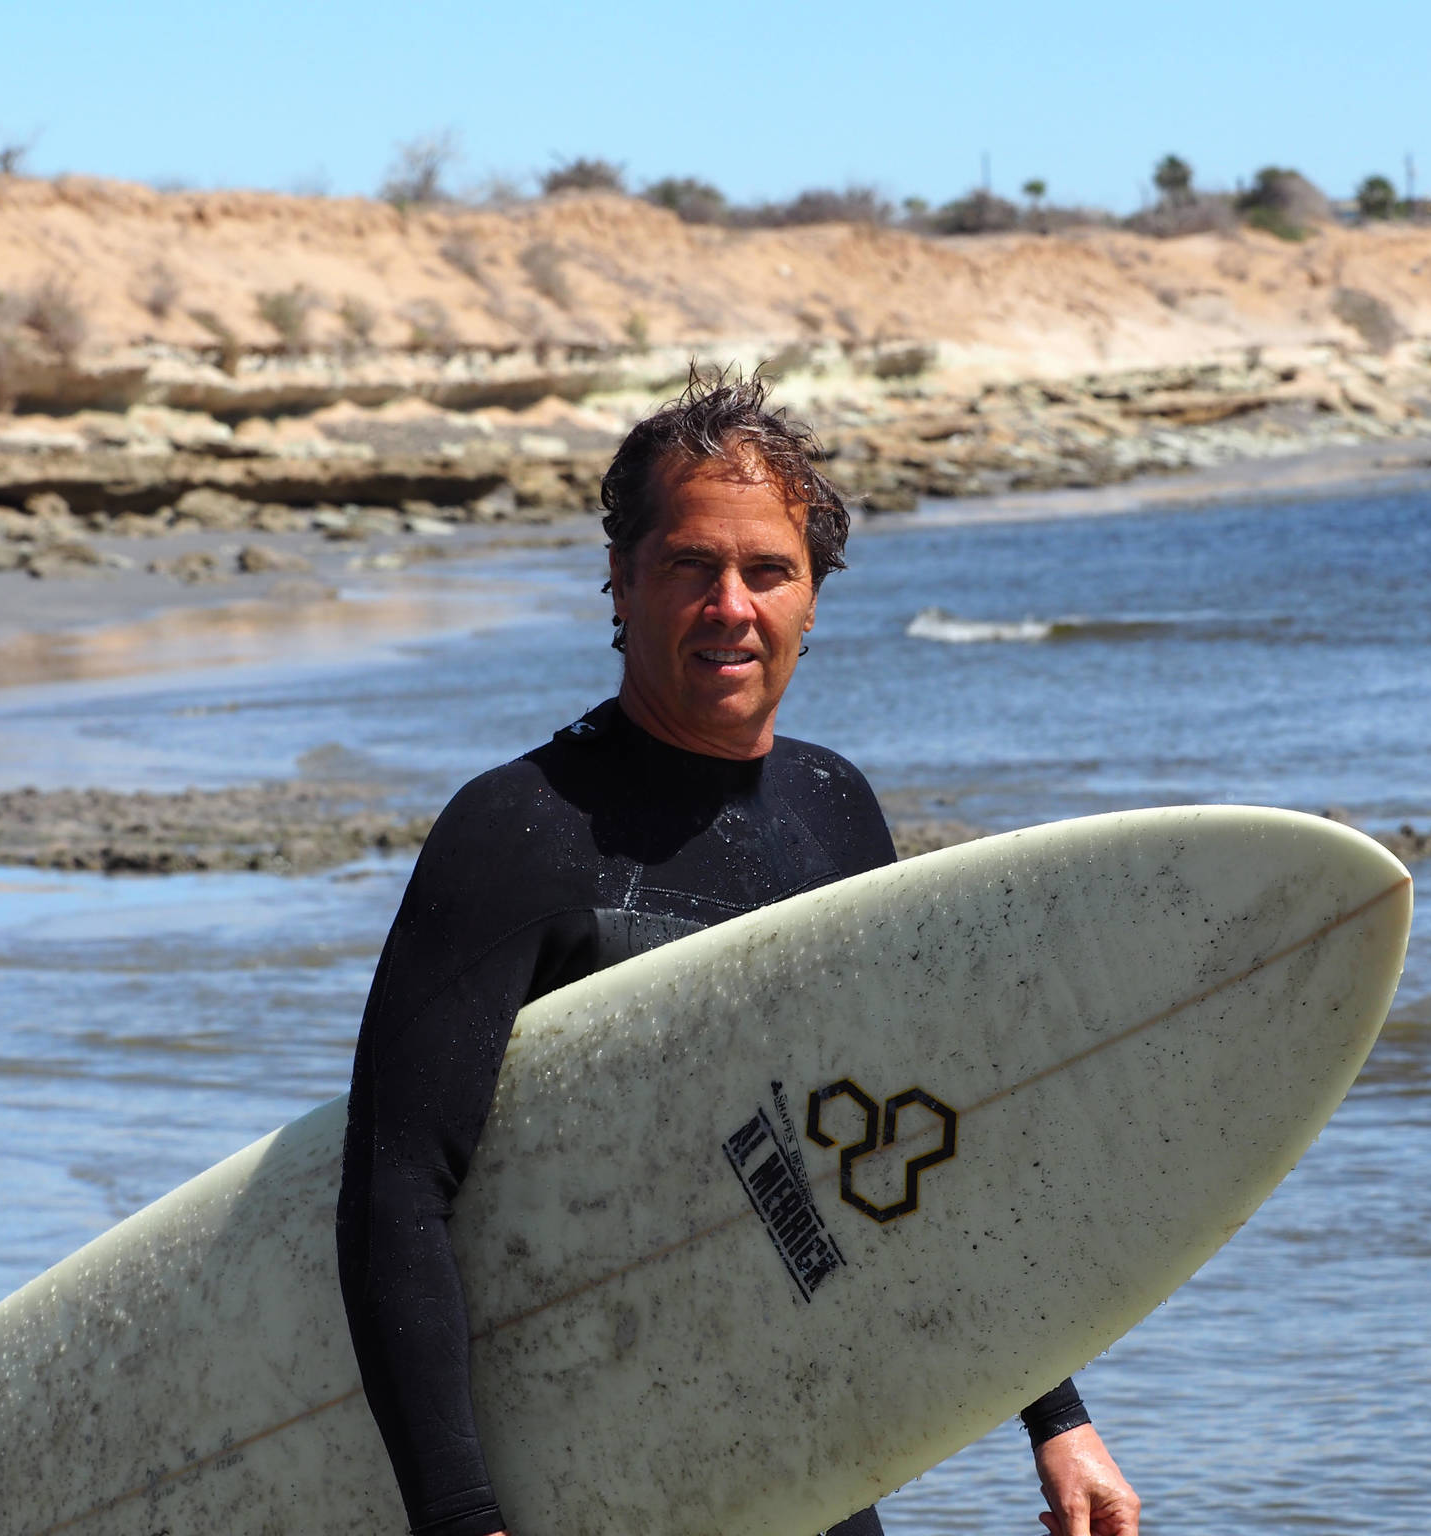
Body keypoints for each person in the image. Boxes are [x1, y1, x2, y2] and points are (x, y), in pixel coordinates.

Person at [337, 373, 1142, 1536]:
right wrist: (460, 1516)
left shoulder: (833, 809)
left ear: (812, 597)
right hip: (588, 1463)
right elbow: (397, 1192)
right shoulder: (518, 833)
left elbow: (904, 1141)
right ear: (619, 581)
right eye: (688, 568)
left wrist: (1055, 1419)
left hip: (797, 1448)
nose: (730, 605)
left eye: (767, 571)